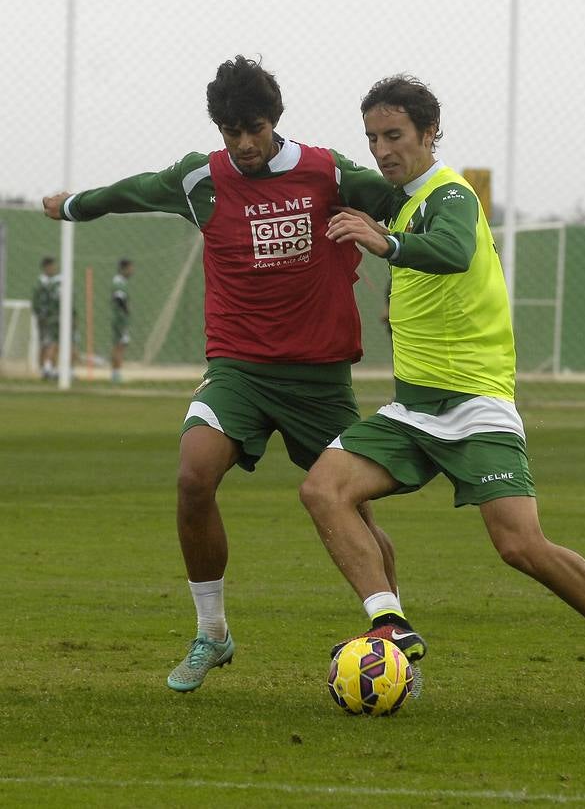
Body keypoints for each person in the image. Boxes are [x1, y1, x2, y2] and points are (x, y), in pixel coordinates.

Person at [299, 74, 585, 713]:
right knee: (323, 489)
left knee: (519, 545)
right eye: (372, 138)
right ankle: (388, 624)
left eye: (395, 136)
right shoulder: (404, 201)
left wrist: (384, 243)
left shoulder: (451, 195)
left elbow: (451, 249)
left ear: (429, 134)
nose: (383, 150)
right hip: (413, 408)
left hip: (474, 405)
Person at [42, 55, 402, 694]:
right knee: (192, 476)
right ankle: (212, 633)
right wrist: (71, 204)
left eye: (254, 129)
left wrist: (439, 221)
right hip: (237, 370)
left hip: (319, 380)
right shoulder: (200, 180)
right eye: (230, 132)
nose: (243, 145)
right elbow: (134, 190)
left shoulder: (328, 173)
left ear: (276, 120)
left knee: (355, 510)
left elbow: (405, 198)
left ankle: (392, 646)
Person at [31, 256, 60, 379]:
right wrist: (41, 315)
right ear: (46, 267)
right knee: (49, 343)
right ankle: (47, 369)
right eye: (52, 266)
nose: (54, 269)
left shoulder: (51, 282)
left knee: (46, 343)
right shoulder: (42, 283)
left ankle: (46, 369)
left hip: (50, 317)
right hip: (45, 318)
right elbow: (37, 302)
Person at [111, 258, 134, 383]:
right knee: (119, 345)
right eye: (130, 268)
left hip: (121, 319)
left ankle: (116, 372)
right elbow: (119, 299)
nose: (132, 270)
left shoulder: (122, 282)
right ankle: (116, 373)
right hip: (120, 319)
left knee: (120, 344)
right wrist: (126, 310)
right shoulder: (118, 282)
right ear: (123, 268)